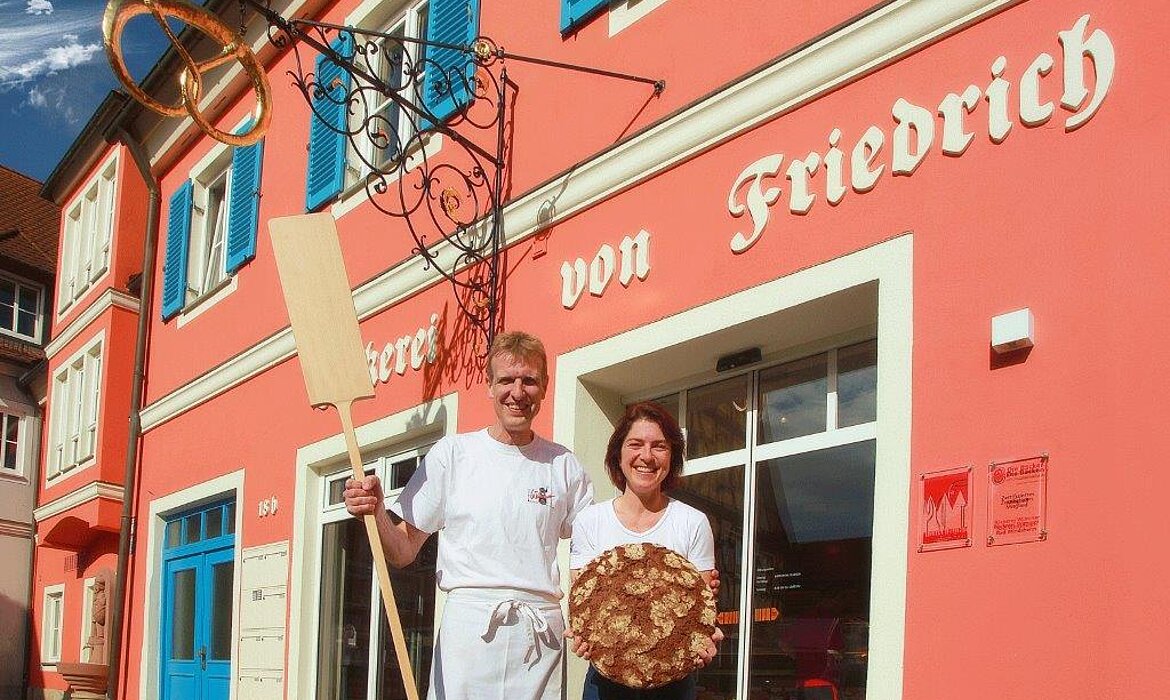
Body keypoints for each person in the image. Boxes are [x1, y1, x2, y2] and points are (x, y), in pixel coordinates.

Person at [343, 330, 594, 700]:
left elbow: (593, 555)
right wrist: (377, 511)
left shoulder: (564, 465)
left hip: (540, 635)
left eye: (530, 381)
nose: (518, 392)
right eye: (506, 380)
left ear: (544, 388)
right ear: (489, 385)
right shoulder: (453, 455)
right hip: (470, 633)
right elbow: (402, 551)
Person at [567, 401, 721, 700]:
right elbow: (581, 603)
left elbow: (702, 611)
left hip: (673, 682)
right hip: (606, 680)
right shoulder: (590, 521)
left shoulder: (692, 522)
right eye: (635, 444)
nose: (646, 456)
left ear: (672, 456)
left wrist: (706, 639)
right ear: (618, 453)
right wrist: (582, 637)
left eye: (659, 446)